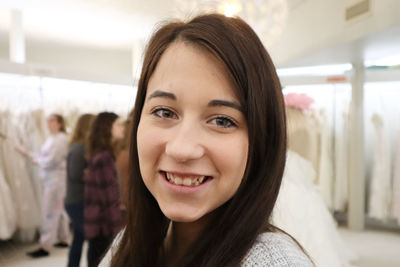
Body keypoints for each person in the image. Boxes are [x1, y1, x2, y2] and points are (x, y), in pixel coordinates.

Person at [100, 13, 314, 267]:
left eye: (222, 121)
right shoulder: (127, 243)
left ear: (261, 142)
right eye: (164, 112)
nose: (182, 148)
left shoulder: (274, 263)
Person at [16, 113, 70, 258]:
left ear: (60, 123)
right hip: (50, 179)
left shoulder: (61, 139)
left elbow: (50, 162)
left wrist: (31, 157)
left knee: (49, 211)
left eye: (52, 120)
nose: (48, 123)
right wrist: (29, 155)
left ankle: (45, 246)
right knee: (58, 210)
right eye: (48, 120)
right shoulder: (52, 139)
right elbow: (44, 158)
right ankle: (63, 238)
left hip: (55, 181)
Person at [85, 112, 124, 267]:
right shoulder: (105, 158)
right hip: (103, 224)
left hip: (97, 222)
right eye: (118, 125)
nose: (122, 128)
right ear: (108, 128)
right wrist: (118, 229)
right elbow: (110, 197)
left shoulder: (99, 154)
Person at [65, 114, 95, 267]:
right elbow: (75, 173)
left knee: (78, 237)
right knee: (90, 237)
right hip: (77, 200)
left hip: (78, 200)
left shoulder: (81, 146)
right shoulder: (79, 147)